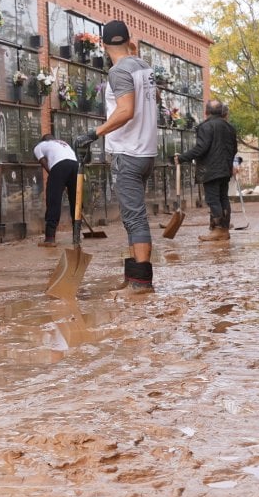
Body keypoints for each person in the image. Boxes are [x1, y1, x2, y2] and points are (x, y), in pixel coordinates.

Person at [73, 20, 159, 294]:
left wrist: (93, 133)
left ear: (102, 44)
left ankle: (141, 281)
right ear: (128, 41)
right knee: (132, 215)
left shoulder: (119, 71)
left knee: (134, 217)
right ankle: (133, 274)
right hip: (146, 151)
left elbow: (125, 111)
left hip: (128, 151)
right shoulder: (143, 67)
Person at [175, 100, 238, 241]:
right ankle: (224, 229)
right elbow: (234, 149)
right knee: (223, 198)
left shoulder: (206, 126)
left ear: (206, 112)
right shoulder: (230, 128)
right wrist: (228, 164)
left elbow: (201, 148)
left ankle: (219, 230)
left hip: (211, 169)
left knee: (213, 199)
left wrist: (182, 158)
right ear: (222, 112)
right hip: (224, 169)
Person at [32, 134, 79, 247]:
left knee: (53, 200)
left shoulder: (40, 145)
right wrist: (65, 182)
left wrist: (54, 175)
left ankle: (50, 238)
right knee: (76, 201)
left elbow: (43, 161)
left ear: (43, 140)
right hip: (76, 166)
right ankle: (76, 237)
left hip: (59, 166)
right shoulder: (64, 143)